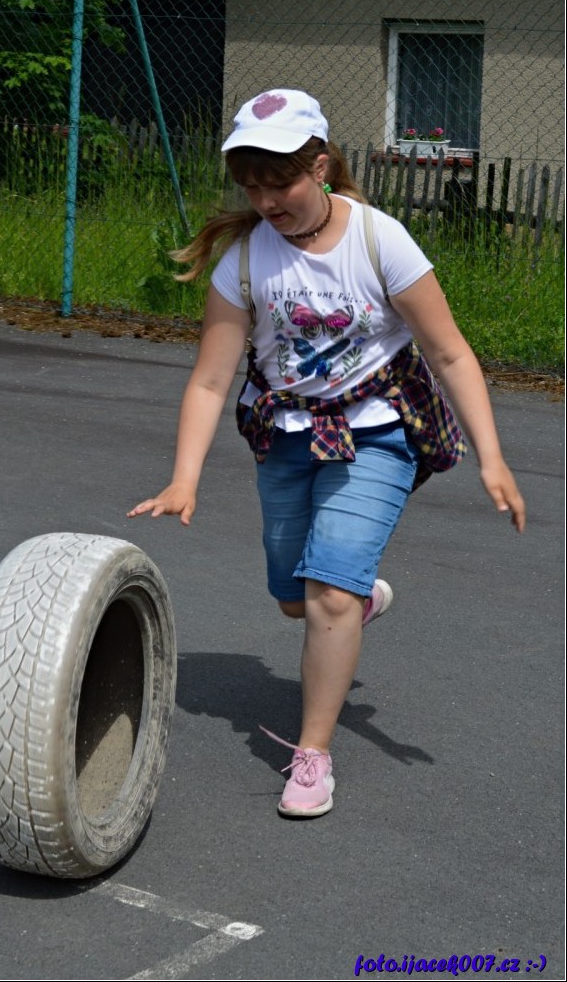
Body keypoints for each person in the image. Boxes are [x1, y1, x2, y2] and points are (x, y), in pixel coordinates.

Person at [128, 89, 525, 818]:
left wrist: (492, 459)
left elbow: (449, 352)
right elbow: (212, 377)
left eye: (279, 183)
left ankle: (311, 755)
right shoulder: (245, 260)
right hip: (285, 431)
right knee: (293, 600)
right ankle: (357, 595)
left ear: (319, 165)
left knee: (327, 597)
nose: (265, 199)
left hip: (379, 428)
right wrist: (183, 477)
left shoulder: (379, 241)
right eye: (251, 185)